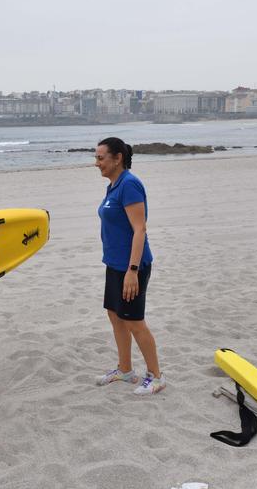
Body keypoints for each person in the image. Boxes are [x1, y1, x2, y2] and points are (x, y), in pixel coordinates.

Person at [94, 137, 164, 395]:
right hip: (114, 264)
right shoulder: (114, 185)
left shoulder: (130, 185)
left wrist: (132, 271)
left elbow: (140, 229)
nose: (97, 163)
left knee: (135, 321)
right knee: (115, 315)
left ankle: (156, 376)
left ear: (117, 158)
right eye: (96, 158)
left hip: (131, 267)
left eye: (101, 158)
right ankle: (125, 370)